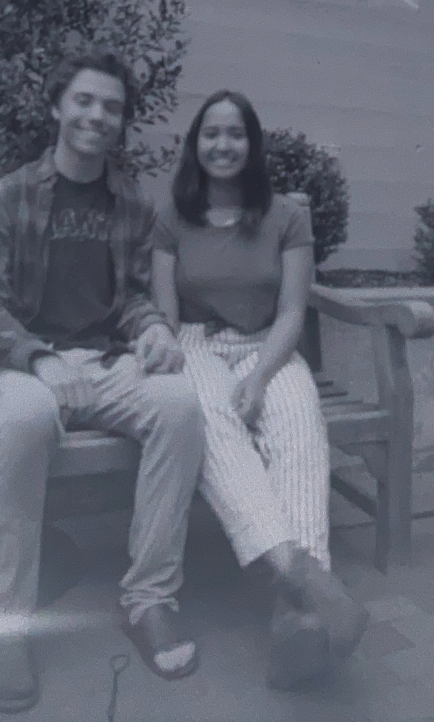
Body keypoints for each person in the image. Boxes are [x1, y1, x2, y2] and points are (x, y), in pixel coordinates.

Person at [0, 51, 205, 714]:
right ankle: (2, 626)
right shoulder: (7, 197)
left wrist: (153, 328)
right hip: (26, 367)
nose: (98, 116)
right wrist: (40, 360)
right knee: (24, 419)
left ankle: (150, 600)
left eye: (112, 107)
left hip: (103, 364)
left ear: (122, 121)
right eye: (85, 101)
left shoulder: (130, 202)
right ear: (57, 108)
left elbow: (132, 297)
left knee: (180, 405)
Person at [151, 91, 369, 690]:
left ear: (252, 144)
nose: (223, 145)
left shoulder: (286, 216)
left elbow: (293, 310)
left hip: (267, 345)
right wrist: (183, 360)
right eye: (211, 134)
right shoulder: (172, 215)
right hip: (195, 344)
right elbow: (166, 316)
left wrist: (258, 376)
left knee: (299, 421)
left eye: (235, 134)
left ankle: (298, 617)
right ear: (196, 144)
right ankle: (307, 581)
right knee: (211, 424)